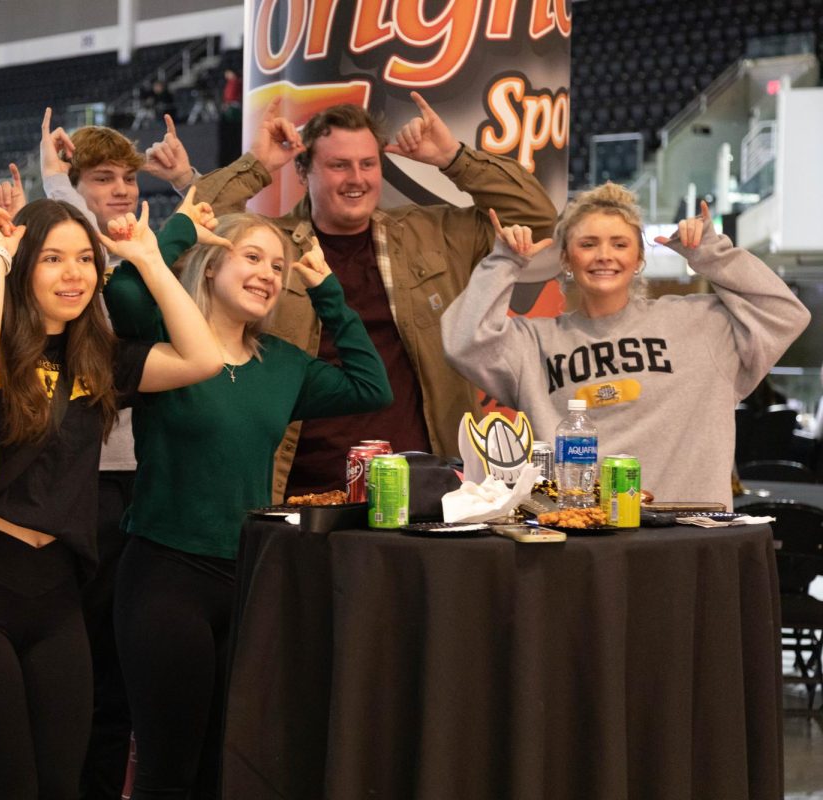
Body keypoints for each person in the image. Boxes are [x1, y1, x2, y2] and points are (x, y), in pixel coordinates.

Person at [0, 194, 223, 799]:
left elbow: (203, 357)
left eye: (85, 259)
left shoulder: (97, 359)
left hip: (57, 594)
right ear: (26, 266)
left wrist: (148, 259)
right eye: (53, 258)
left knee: (63, 786)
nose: (74, 273)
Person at [104, 210, 393, 799]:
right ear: (212, 267)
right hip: (165, 573)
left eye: (278, 267)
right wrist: (185, 228)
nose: (268, 274)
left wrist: (325, 289)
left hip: (248, 577)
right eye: (252, 257)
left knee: (225, 764)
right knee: (166, 767)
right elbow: (126, 286)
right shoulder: (163, 339)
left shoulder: (283, 365)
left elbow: (372, 386)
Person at [193, 94, 557, 502]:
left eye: (368, 164)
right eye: (338, 165)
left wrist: (454, 157)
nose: (357, 178)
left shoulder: (430, 233)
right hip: (301, 487)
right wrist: (256, 166)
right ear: (303, 170)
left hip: (423, 484)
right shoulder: (270, 247)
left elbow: (537, 219)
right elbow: (192, 226)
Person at [440, 184, 810, 509]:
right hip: (578, 532)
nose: (605, 255)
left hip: (683, 534)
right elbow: (463, 343)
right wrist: (504, 262)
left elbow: (785, 313)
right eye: (588, 244)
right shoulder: (533, 342)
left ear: (639, 259)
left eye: (620, 244)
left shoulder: (701, 324)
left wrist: (710, 254)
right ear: (566, 259)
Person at [29, 108, 196, 800]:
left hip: (141, 480)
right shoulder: (75, 268)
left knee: (118, 679)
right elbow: (69, 247)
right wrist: (53, 180)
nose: (123, 189)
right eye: (103, 178)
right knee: (77, 676)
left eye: (129, 178)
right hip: (76, 488)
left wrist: (186, 183)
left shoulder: (146, 251)